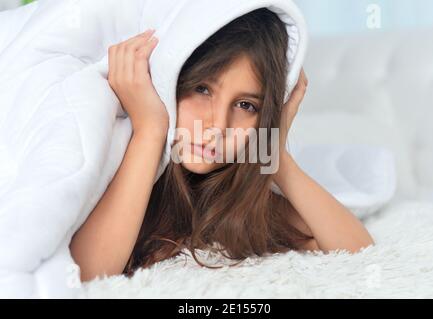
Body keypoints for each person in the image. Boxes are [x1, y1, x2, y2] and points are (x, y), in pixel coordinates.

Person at [69, 8, 374, 282]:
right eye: (202, 89)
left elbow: (358, 250)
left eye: (245, 105)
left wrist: (274, 152)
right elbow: (86, 273)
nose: (218, 126)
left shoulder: (232, 197)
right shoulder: (117, 156)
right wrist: (150, 129)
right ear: (168, 79)